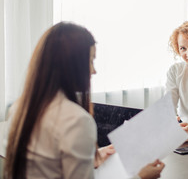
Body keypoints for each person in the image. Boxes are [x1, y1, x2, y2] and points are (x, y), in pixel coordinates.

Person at [4, 22, 165, 179]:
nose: (94, 71)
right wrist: (140, 177)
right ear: (71, 65)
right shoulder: (76, 120)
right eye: (90, 61)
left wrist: (91, 157)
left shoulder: (19, 107)